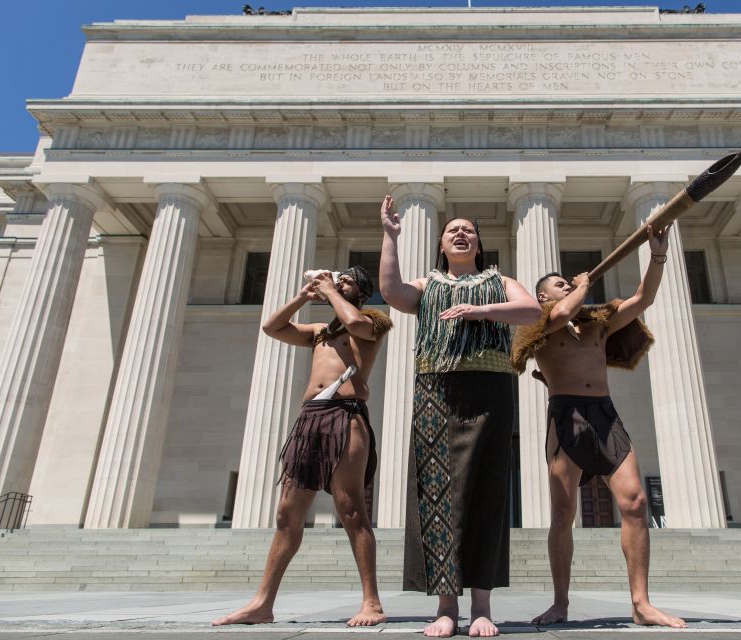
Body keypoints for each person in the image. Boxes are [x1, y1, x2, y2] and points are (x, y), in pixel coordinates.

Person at [379, 194, 541, 638]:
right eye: (453, 230)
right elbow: (392, 293)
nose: (461, 233)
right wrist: (390, 238)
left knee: (487, 493)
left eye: (468, 229)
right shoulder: (428, 285)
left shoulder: (499, 281)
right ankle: (446, 606)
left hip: (489, 390)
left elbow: (533, 310)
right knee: (435, 494)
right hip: (436, 390)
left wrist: (480, 310)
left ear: (478, 243)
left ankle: (482, 605)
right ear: (442, 245)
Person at [511, 225, 686, 629]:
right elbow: (562, 314)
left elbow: (643, 298)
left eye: (567, 281)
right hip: (565, 416)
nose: (566, 283)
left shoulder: (597, 324)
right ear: (543, 295)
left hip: (604, 414)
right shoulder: (540, 323)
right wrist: (583, 285)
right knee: (563, 511)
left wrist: (657, 256)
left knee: (635, 502)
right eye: (559, 282)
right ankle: (560, 603)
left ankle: (641, 603)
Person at [213, 266, 392, 628]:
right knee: (286, 513)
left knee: (351, 510)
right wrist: (302, 297)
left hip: (347, 415)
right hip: (311, 417)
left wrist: (332, 291)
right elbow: (272, 328)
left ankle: (371, 601)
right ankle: (263, 603)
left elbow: (355, 324)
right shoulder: (319, 333)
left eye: (347, 281)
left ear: (362, 291)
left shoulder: (372, 323)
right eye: (337, 279)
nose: (338, 283)